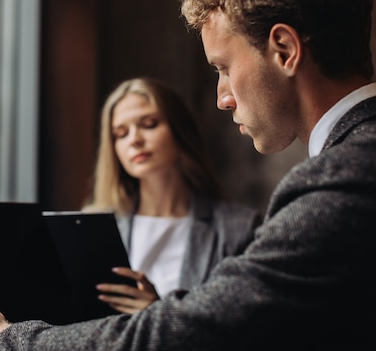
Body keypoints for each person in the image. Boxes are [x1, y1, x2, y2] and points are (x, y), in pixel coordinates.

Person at [0, 0, 376, 350]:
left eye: (222, 68)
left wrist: (1, 340)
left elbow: (196, 334)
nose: (221, 98)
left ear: (284, 49)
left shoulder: (353, 178)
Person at [83, 77, 261, 314]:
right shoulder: (91, 226)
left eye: (148, 124)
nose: (134, 140)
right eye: (121, 133)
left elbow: (242, 326)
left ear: (179, 131)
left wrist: (158, 316)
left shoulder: (239, 229)